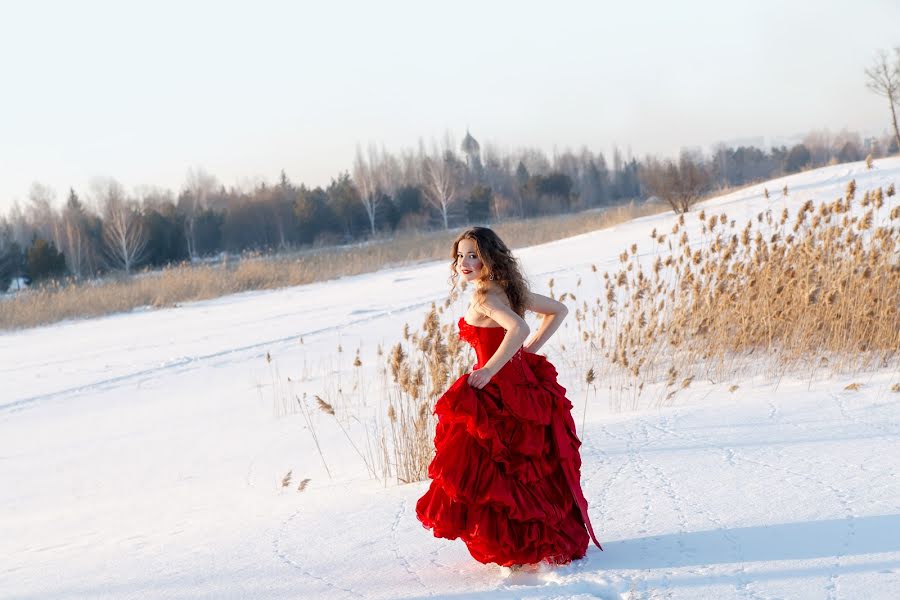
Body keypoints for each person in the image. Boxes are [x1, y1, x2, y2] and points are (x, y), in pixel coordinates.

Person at [415, 226, 602, 570]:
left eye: (473, 255)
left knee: (495, 470)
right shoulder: (508, 289)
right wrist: (523, 355)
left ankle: (518, 546)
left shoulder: (486, 297)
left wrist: (490, 370)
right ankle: (534, 541)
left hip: (500, 389)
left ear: (489, 258)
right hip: (521, 385)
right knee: (522, 470)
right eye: (460, 255)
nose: (464, 262)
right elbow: (557, 311)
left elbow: (519, 329)